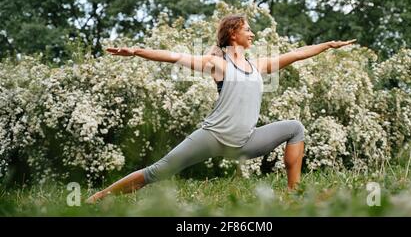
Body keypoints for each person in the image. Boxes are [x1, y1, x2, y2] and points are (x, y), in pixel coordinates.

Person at [86, 14, 356, 203]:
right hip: (213, 137)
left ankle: (294, 192)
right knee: (158, 171)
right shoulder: (218, 64)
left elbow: (297, 54)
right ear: (233, 34)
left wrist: (328, 46)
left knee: (295, 128)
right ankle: (99, 197)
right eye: (247, 28)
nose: (252, 33)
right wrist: (136, 51)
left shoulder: (257, 66)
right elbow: (174, 57)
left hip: (246, 142)